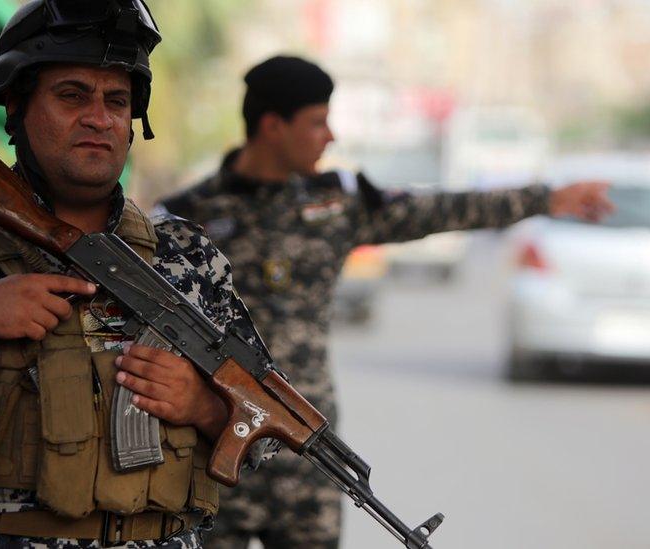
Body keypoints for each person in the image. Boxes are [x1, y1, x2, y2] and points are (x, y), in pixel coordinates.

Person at [156, 54, 614, 549]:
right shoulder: (186, 219)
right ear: (272, 126)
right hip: (214, 445)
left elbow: (439, 210)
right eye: (317, 122)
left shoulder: (336, 204)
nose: (330, 136)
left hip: (309, 456)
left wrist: (545, 200)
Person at [0, 1, 271, 547]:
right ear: (16, 107)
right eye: (71, 95)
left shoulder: (188, 258)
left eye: (117, 101)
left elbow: (269, 431)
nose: (99, 118)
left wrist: (202, 405)